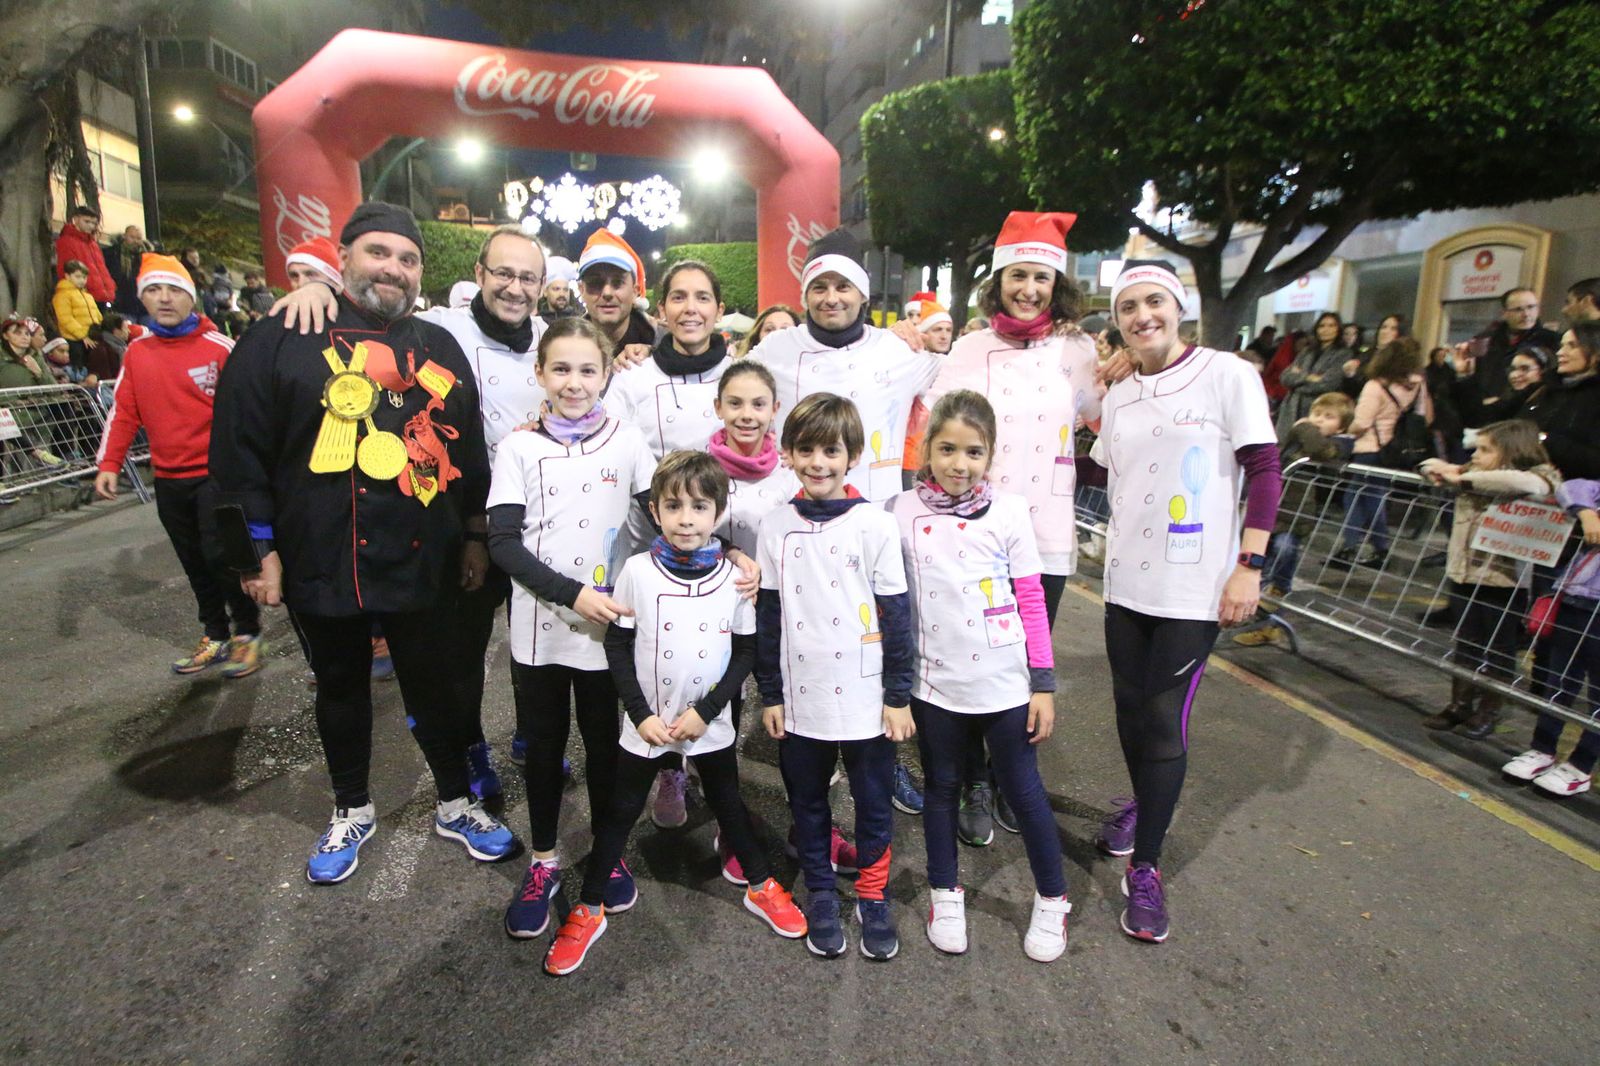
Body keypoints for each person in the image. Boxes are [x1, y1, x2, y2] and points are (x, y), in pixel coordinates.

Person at [210, 202, 518, 885]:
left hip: (426, 556)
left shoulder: (438, 347)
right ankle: (351, 808)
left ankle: (455, 803)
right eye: (378, 253)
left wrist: (473, 535)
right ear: (344, 258)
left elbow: (466, 451)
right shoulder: (279, 336)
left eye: (408, 259)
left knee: (437, 689)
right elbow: (237, 455)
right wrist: (253, 552)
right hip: (321, 554)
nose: (394, 269)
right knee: (340, 688)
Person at [273, 222, 562, 793]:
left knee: (542, 647)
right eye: (502, 273)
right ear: (477, 275)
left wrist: (629, 350)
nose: (514, 287)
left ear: (542, 285)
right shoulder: (434, 330)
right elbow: (367, 312)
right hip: (463, 525)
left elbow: (613, 353)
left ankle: (534, 735)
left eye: (528, 277)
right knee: (459, 660)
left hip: (543, 528)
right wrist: (323, 291)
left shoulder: (557, 337)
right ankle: (471, 748)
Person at [541, 451, 808, 974]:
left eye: (699, 507)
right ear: (657, 512)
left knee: (729, 805)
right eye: (674, 506)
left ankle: (759, 885)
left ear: (718, 514)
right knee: (619, 815)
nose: (686, 518)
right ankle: (589, 907)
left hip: (706, 725)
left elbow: (747, 653)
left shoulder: (733, 579)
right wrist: (639, 714)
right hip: (647, 724)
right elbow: (617, 648)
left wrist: (706, 713)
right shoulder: (637, 572)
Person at [1086, 260, 1281, 943]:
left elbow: (1264, 469)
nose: (1143, 316)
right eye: (1129, 307)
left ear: (1180, 307)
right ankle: (1145, 801)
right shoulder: (1118, 396)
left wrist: (1249, 565)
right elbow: (1102, 468)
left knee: (1165, 719)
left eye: (1155, 303)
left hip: (1194, 587)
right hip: (1125, 581)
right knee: (1130, 709)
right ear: (1116, 322)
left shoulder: (1229, 374)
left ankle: (1147, 868)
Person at [746, 228, 939, 816]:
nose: (832, 297)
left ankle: (887, 755)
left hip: (874, 524)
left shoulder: (896, 352)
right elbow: (727, 394)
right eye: (820, 286)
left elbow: (967, 376)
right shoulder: (773, 352)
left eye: (843, 286)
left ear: (863, 292)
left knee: (882, 642)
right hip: (799, 524)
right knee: (807, 636)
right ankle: (811, 744)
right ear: (806, 293)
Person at [922, 211, 1100, 844]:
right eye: (1018, 275)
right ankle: (972, 776)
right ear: (998, 281)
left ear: (1057, 285)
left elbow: (1108, 416)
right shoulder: (967, 350)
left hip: (1045, 533)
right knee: (974, 655)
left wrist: (1134, 365)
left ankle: (1006, 773)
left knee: (1025, 664)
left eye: (1041, 277)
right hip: (972, 531)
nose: (1029, 288)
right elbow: (933, 423)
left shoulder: (1079, 351)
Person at [489, 316, 656, 938]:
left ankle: (607, 857)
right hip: (539, 629)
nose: (575, 382)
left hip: (603, 629)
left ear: (607, 374)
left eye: (588, 369)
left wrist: (726, 554)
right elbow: (504, 543)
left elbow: (665, 519)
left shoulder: (629, 442)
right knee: (543, 750)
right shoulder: (518, 447)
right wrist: (571, 594)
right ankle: (543, 861)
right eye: (561, 368)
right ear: (540, 374)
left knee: (606, 748)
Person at [892, 390, 1070, 961]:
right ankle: (946, 893)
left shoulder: (1012, 511)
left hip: (1005, 683)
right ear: (926, 448)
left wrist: (1042, 683)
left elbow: (1031, 601)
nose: (959, 464)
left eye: (973, 452)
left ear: (990, 455)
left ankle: (1052, 900)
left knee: (1023, 789)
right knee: (941, 788)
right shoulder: (899, 511)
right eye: (946, 449)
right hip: (934, 682)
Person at [756, 392, 913, 960]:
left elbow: (898, 615)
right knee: (808, 800)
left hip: (869, 698)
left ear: (853, 456)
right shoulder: (774, 525)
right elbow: (768, 616)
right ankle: (821, 890)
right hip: (801, 697)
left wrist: (899, 695)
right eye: (806, 450)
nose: (818, 462)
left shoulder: (875, 524)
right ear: (788, 455)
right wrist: (769, 693)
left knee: (873, 802)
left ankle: (873, 894)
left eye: (831, 450)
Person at [93, 252, 263, 677]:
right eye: (153, 290)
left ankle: (247, 631)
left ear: (191, 298)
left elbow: (248, 413)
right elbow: (124, 411)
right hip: (169, 478)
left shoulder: (220, 348)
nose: (164, 299)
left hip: (215, 478)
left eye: (174, 290)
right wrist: (109, 462)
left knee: (221, 555)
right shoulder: (136, 353)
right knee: (191, 559)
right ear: (142, 300)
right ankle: (215, 633)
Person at [1418, 421, 1561, 739]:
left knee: (1498, 648)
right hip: (1464, 571)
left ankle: (1489, 710)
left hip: (1503, 579)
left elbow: (1528, 483)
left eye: (1486, 450)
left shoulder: (1535, 478)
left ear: (1511, 450)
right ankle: (1459, 704)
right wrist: (1441, 471)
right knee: (1466, 641)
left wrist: (1460, 478)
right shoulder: (1471, 473)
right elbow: (1429, 464)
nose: (1476, 455)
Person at [1501, 477, 1600, 797]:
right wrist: (1586, 513)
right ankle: (1542, 749)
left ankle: (1581, 766)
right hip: (1578, 597)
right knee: (1560, 681)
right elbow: (1574, 486)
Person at [1233, 391, 1356, 647]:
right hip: (1275, 514)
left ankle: (1269, 622)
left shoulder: (1340, 445)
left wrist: (1305, 428)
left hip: (1294, 519)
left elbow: (1321, 450)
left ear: (1342, 425)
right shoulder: (1300, 439)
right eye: (1316, 414)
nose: (1319, 420)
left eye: (1328, 417)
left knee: (1281, 564)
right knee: (1263, 568)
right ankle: (1258, 618)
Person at [1331, 338, 1432, 568]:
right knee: (1373, 495)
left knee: (1358, 496)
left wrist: (1343, 431)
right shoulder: (1417, 384)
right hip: (1393, 449)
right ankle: (1367, 547)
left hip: (1369, 447)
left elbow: (1361, 424)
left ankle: (1363, 547)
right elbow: (1421, 414)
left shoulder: (1375, 386)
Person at [1454, 288, 1559, 427]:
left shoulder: (1552, 340)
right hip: (1487, 411)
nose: (1526, 314)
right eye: (1518, 309)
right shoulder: (1487, 340)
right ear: (1505, 313)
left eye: (1531, 307)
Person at [1524, 324, 1600, 480]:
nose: (1560, 353)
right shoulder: (1545, 388)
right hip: (1525, 487)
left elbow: (1594, 461)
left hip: (1573, 492)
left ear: (1596, 353)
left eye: (1572, 346)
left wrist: (1545, 440)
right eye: (1561, 346)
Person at [576, 228, 662, 354]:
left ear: (635, 291)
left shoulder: (666, 346)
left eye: (617, 283)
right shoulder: (564, 348)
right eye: (596, 283)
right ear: (581, 290)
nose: (607, 293)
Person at [0, 313, 64, 467]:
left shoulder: (36, 356)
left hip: (35, 410)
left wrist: (39, 373)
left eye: (27, 333)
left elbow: (54, 390)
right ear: (5, 336)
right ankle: (36, 453)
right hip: (8, 410)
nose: (24, 337)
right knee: (3, 423)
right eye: (17, 332)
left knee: (65, 405)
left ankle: (66, 456)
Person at [1277, 312, 1353, 435]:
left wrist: (1297, 380)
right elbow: (1285, 377)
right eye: (1322, 326)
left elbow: (1328, 384)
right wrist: (1308, 377)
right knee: (1284, 447)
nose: (1326, 329)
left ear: (1338, 329)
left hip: (1318, 409)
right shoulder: (1307, 351)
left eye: (1331, 325)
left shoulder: (1343, 354)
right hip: (1291, 407)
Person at [54, 206, 115, 307]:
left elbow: (102, 269)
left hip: (103, 296)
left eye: (94, 223)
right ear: (76, 219)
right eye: (87, 222)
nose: (91, 226)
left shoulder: (93, 244)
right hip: (84, 297)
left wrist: (110, 288)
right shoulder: (66, 242)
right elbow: (66, 271)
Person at [51, 259, 102, 375]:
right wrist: (83, 335)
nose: (82, 280)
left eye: (84, 277)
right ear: (67, 276)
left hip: (91, 337)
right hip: (74, 340)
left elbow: (97, 315)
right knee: (78, 370)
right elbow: (65, 319)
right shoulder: (62, 295)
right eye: (78, 277)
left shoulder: (87, 295)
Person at [104, 225, 152, 318]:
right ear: (125, 236)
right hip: (122, 305)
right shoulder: (112, 254)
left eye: (138, 238)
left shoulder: (147, 256)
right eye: (132, 237)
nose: (135, 241)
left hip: (144, 306)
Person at [735, 304, 800, 358]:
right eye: (769, 329)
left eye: (785, 330)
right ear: (757, 337)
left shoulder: (807, 371)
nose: (776, 334)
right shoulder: (739, 370)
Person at [539, 255, 580, 323]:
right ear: (545, 292)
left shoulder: (578, 323)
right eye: (556, 289)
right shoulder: (537, 323)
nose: (562, 294)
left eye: (565, 290)